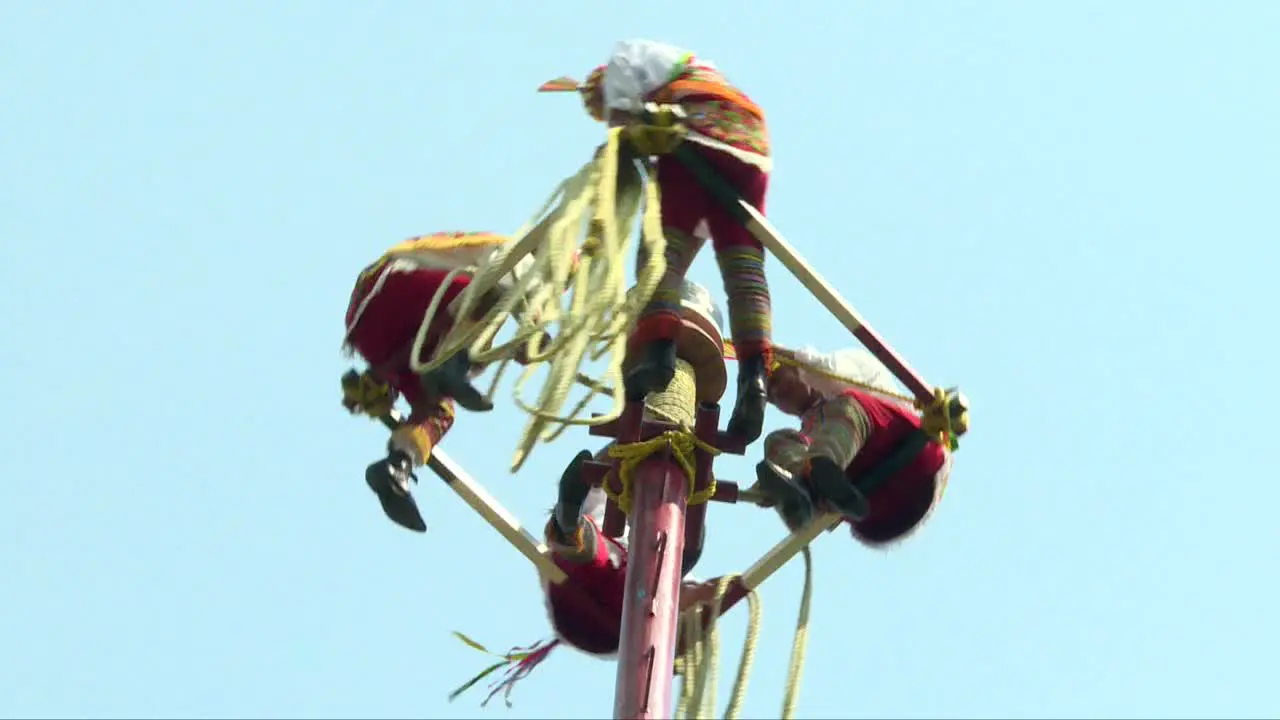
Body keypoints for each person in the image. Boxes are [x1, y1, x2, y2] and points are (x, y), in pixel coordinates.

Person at [539, 38, 775, 444]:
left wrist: (615, 145)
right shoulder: (704, 68)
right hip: (750, 145)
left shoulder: (625, 59)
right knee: (744, 273)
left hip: (696, 129)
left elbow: (626, 113)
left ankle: (660, 349)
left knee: (659, 256)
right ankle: (754, 376)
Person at [450, 448, 718, 707]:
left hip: (609, 611)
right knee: (589, 545)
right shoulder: (606, 501)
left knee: (651, 571)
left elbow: (690, 597)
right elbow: (594, 469)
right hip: (591, 603)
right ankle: (570, 528)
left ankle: (569, 528)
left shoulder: (663, 544)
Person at [341, 230, 528, 532]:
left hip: (370, 334)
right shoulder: (516, 249)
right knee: (489, 294)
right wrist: (531, 331)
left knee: (440, 411)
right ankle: (448, 366)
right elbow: (514, 274)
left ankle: (396, 468)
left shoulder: (409, 368)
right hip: (400, 285)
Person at [754, 347, 966, 547]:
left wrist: (771, 350)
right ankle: (803, 492)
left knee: (847, 405)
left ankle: (819, 477)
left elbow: (827, 370)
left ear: (797, 367)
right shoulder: (811, 435)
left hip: (915, 467)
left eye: (777, 376)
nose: (777, 390)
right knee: (777, 442)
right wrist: (774, 480)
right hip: (873, 513)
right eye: (770, 394)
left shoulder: (849, 375)